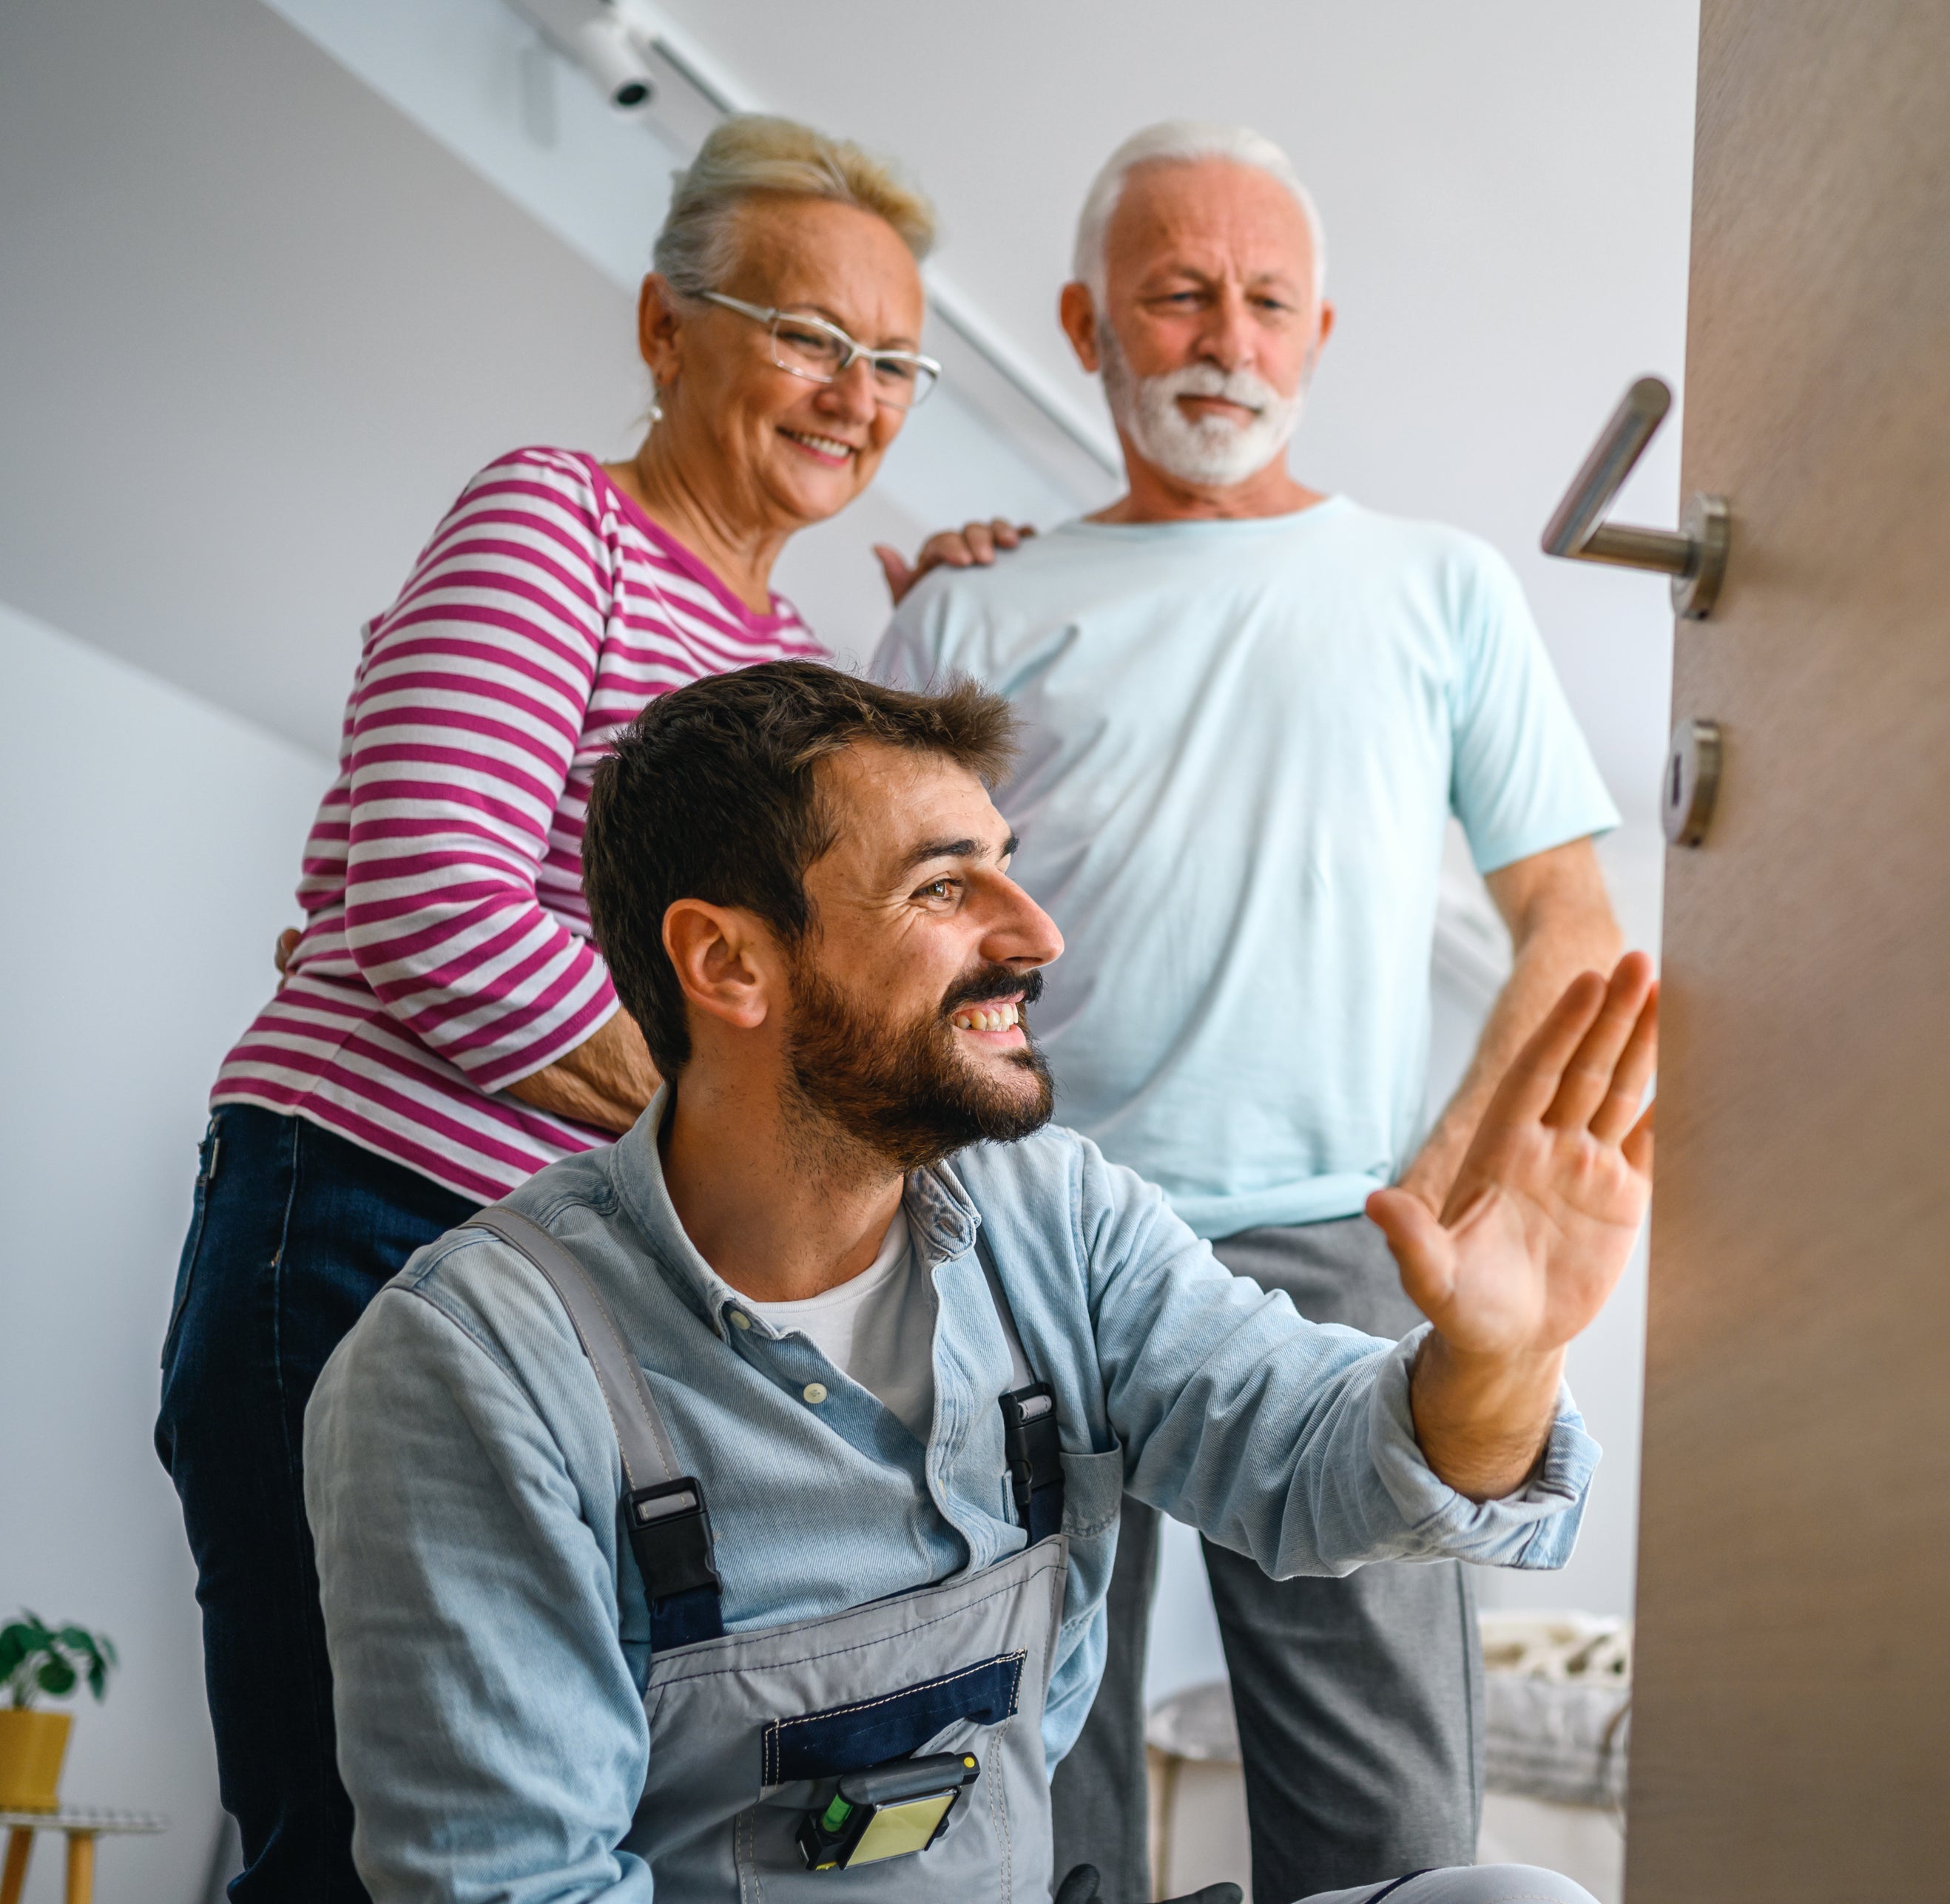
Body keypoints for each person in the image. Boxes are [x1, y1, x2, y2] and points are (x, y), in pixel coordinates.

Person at [299, 661, 1659, 1904]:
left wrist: (1504, 1353)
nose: (1038, 933)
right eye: (946, 887)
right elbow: (509, 1887)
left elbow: (1323, 1462)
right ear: (728, 961)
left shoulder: (1051, 1212)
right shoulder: (472, 1363)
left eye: (1007, 868)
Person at [155, 115, 957, 1902]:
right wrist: (737, 1125)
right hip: (364, 1223)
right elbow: (433, 897)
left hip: (571, 1292)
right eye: (808, 334)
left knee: (545, 1828)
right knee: (360, 1845)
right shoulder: (557, 518)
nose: (856, 391)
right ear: (669, 332)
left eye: (895, 358)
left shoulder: (799, 671)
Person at [871, 121, 1625, 1904]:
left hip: (1337, 1258)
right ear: (1083, 322)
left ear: (1319, 331)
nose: (1227, 335)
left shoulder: (1438, 586)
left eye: (1267, 300)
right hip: (1013, 1257)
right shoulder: (969, 605)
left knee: (1390, 1833)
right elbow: (881, 942)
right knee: (1013, 1800)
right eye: (1179, 292)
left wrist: (1433, 1186)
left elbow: (1573, 931)